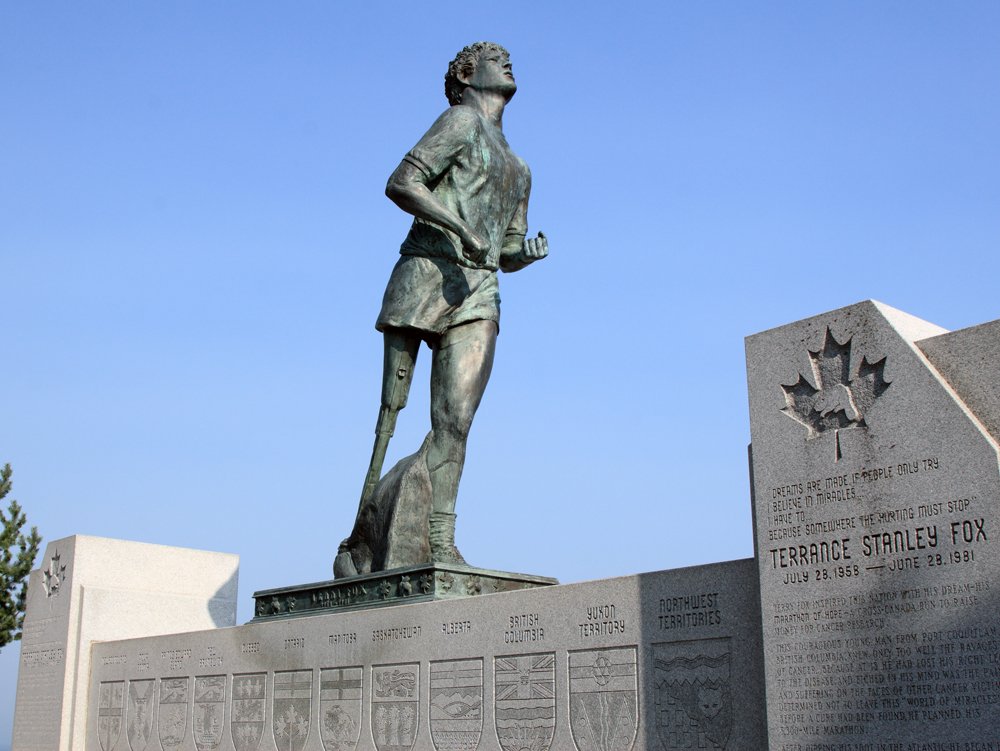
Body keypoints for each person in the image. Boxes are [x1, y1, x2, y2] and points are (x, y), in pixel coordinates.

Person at [351, 41, 548, 566]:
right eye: (494, 58)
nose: (507, 62)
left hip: (479, 290)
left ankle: (439, 537)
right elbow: (402, 183)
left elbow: (504, 249)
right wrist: (460, 228)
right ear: (466, 76)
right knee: (390, 414)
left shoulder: (520, 168)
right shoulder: (459, 122)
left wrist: (523, 254)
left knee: (455, 420)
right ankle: (361, 539)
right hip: (428, 274)